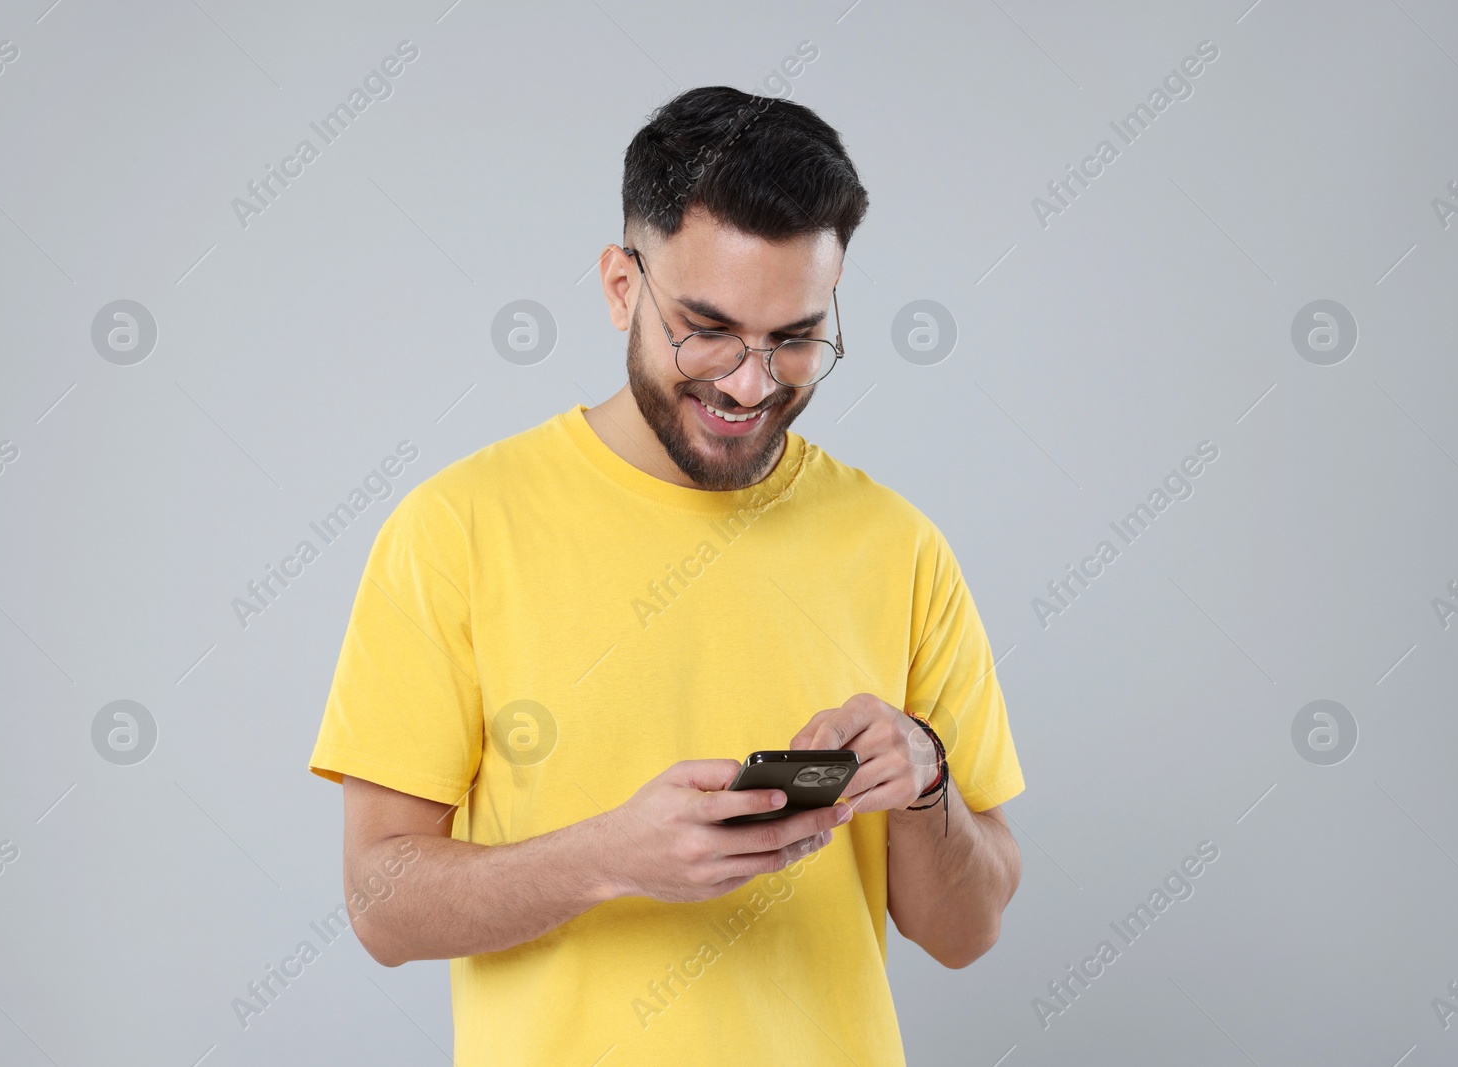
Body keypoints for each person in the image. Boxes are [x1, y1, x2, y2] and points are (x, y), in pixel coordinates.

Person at [309, 84, 1024, 1066]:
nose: (747, 382)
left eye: (794, 339)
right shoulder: (455, 528)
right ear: (619, 287)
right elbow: (380, 907)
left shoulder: (898, 545)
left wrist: (925, 779)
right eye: (706, 327)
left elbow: (965, 929)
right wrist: (610, 857)